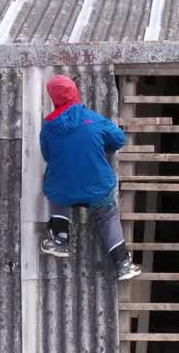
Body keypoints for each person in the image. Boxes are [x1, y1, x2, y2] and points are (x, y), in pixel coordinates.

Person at [39, 75, 141, 281]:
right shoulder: (93, 119)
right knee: (106, 217)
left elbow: (47, 155)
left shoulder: (48, 128)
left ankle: (60, 239)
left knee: (56, 191)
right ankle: (122, 264)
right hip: (97, 186)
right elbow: (120, 139)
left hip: (64, 190)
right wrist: (104, 149)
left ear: (54, 98)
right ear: (75, 93)